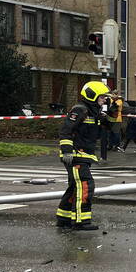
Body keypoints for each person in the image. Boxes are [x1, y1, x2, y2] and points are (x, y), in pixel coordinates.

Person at [56, 81, 110, 230]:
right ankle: (81, 221)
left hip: (83, 154)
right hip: (74, 155)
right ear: (92, 96)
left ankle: (64, 218)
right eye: (102, 97)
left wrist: (106, 117)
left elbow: (102, 131)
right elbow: (66, 130)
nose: (104, 100)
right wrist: (67, 150)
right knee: (85, 186)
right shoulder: (80, 110)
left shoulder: (94, 112)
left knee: (75, 187)